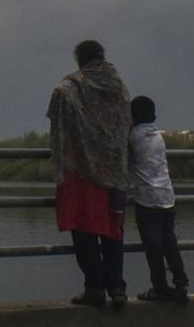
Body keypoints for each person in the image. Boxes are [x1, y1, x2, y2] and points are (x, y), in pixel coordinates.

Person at [47, 39, 132, 309]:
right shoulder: (118, 87)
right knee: (112, 232)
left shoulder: (70, 87)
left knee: (84, 233)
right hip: (115, 173)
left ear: (79, 60)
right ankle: (117, 288)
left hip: (81, 172)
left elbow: (57, 107)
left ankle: (94, 288)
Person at [128, 95, 189, 304]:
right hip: (167, 196)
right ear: (153, 115)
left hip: (147, 200)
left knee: (153, 245)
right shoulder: (158, 136)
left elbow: (126, 162)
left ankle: (160, 288)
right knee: (169, 241)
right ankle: (181, 283)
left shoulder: (133, 136)